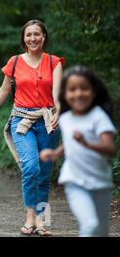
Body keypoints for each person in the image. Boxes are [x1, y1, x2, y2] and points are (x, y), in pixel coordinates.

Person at [0, 19, 64, 236]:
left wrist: (58, 110)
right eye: (29, 35)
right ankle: (30, 217)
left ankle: (42, 220)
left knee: (45, 173)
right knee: (31, 167)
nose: (33, 38)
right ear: (24, 38)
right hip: (22, 121)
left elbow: (58, 94)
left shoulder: (54, 62)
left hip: (47, 121)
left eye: (37, 34)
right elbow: (2, 92)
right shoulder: (15, 62)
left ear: (44, 36)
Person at [40, 66, 117, 237]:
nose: (78, 94)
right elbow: (70, 143)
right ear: (64, 94)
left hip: (100, 182)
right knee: (90, 226)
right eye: (72, 89)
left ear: (93, 91)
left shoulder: (99, 116)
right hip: (74, 181)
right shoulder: (65, 118)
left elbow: (111, 149)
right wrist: (55, 154)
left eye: (84, 88)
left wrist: (87, 143)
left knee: (101, 231)